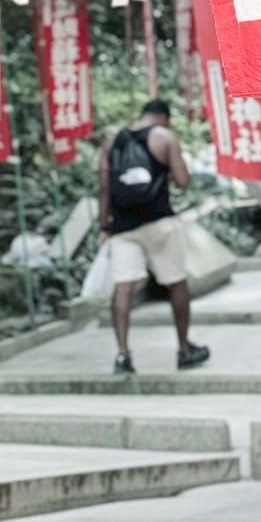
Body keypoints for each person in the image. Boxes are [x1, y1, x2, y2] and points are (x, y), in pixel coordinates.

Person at [98, 98, 210, 375]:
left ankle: (123, 355)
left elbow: (104, 190)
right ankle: (184, 349)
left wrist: (104, 227)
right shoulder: (164, 137)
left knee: (123, 287)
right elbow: (183, 180)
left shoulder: (112, 143)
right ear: (165, 117)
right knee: (176, 282)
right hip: (159, 221)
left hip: (123, 228)